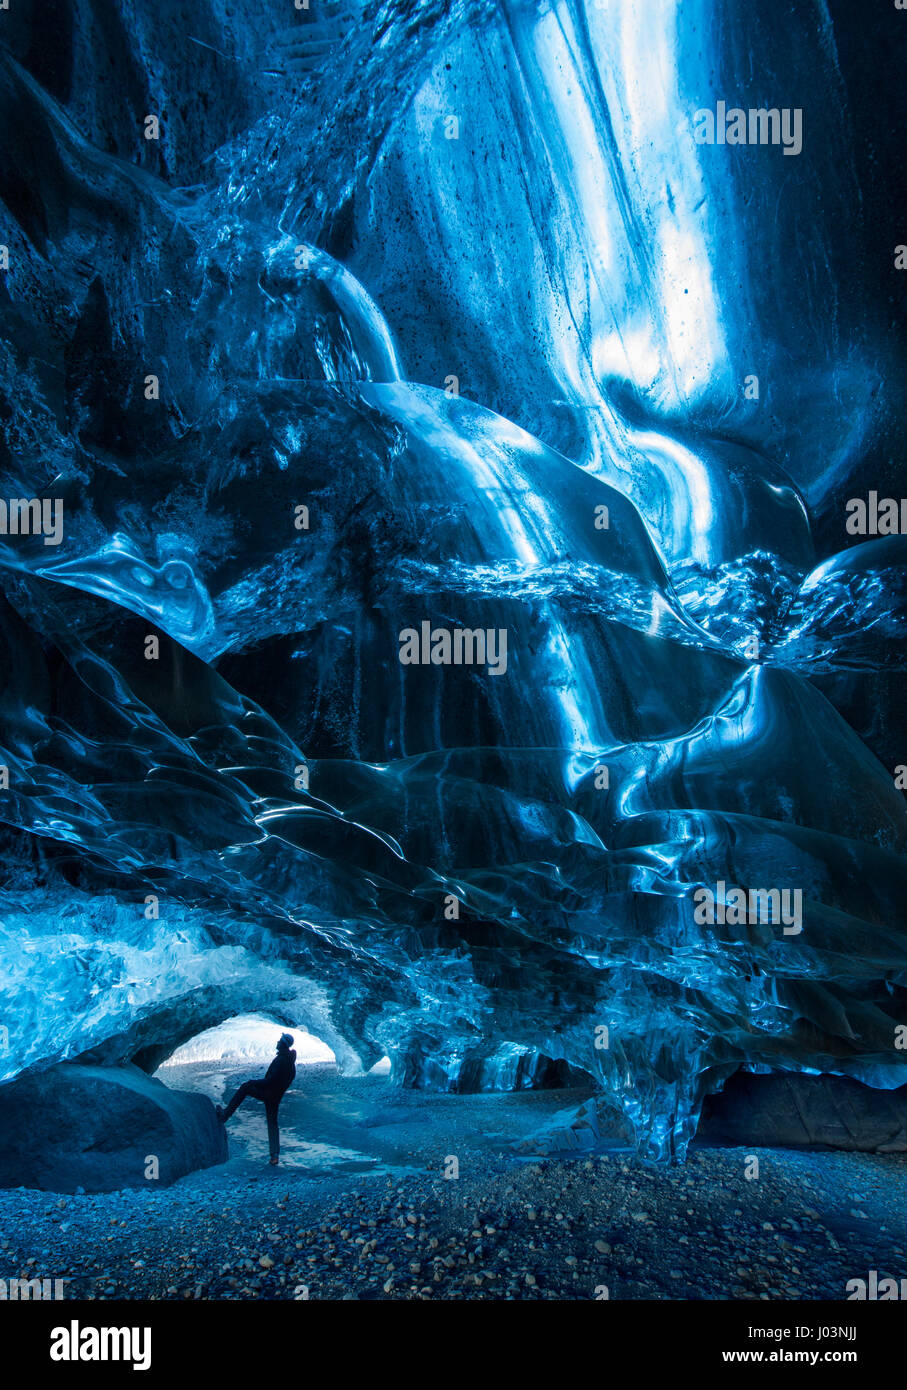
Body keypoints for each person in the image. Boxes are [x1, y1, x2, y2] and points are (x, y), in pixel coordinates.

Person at [216, 1032, 297, 1165]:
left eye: (279, 1041)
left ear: (283, 1044)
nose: (277, 1042)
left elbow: (270, 1080)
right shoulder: (290, 1063)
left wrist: (254, 1082)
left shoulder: (281, 1060)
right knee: (272, 1124)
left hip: (268, 1093)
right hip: (276, 1097)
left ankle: (225, 1115)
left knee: (245, 1088)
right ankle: (274, 1156)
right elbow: (284, 1081)